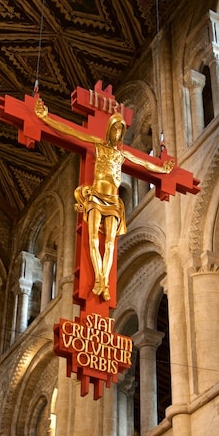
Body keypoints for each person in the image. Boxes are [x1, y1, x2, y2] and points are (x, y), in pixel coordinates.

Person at [34, 96, 175, 300]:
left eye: (120, 130)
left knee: (109, 244)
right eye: (115, 129)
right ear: (110, 130)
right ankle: (99, 277)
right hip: (95, 198)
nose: (117, 133)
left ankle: (103, 281)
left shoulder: (121, 155)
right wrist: (45, 117)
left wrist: (161, 168)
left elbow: (143, 163)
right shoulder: (98, 145)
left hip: (113, 202)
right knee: (92, 240)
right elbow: (70, 131)